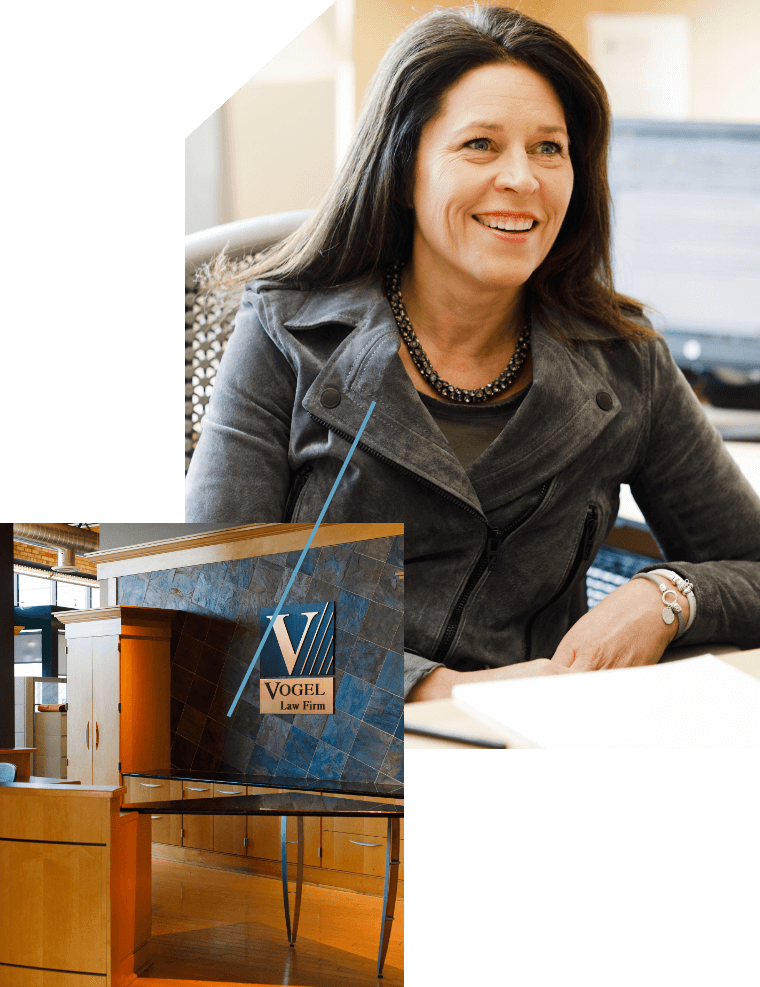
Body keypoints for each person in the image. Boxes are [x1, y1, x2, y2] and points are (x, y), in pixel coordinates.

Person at [186, 4, 760, 701]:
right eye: (481, 145)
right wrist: (436, 690)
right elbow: (215, 602)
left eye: (549, 148)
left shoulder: (624, 359)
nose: (523, 178)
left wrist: (667, 594)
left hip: (537, 731)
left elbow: (752, 563)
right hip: (328, 743)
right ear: (403, 172)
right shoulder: (286, 331)